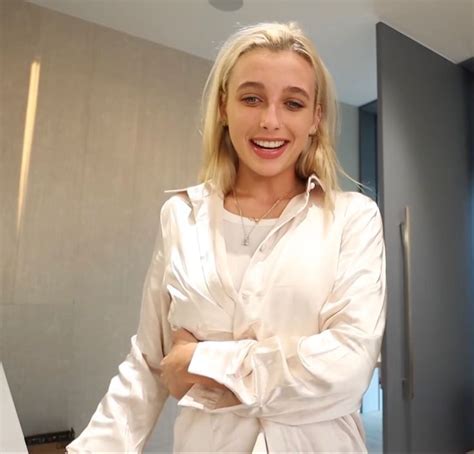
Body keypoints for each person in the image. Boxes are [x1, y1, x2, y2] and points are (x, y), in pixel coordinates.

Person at [66, 22, 386, 453]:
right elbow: (148, 363)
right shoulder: (181, 217)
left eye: (293, 103)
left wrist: (198, 361)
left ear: (316, 118)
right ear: (223, 106)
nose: (270, 121)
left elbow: (347, 369)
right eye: (251, 98)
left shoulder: (354, 219)